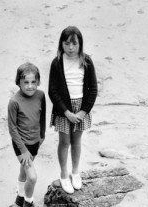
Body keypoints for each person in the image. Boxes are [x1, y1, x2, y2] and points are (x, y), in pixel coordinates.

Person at [48, 26, 97, 195]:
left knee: (76, 141)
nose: (70, 47)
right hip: (64, 109)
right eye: (67, 43)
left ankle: (75, 172)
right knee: (64, 142)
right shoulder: (57, 63)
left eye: (74, 43)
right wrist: (66, 112)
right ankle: (63, 174)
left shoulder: (87, 61)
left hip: (81, 108)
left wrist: (83, 112)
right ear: (61, 44)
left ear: (80, 44)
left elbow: (93, 90)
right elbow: (52, 91)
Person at [8, 62, 46, 207]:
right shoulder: (14, 102)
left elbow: (42, 116)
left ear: (38, 82)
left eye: (33, 82)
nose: (30, 86)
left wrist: (42, 135)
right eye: (26, 82)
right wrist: (23, 150)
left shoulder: (41, 95)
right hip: (20, 145)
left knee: (24, 171)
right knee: (32, 177)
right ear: (19, 82)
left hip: (35, 141)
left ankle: (20, 196)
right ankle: (28, 204)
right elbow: (12, 129)